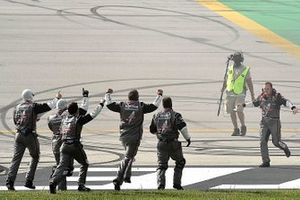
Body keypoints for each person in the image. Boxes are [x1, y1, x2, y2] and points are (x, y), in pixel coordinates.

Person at [105, 88, 163, 191]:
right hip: (134, 137)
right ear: (137, 98)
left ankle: (127, 176)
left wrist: (108, 93)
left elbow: (109, 104)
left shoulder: (122, 105)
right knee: (128, 157)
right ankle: (118, 179)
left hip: (123, 136)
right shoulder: (140, 106)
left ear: (128, 97)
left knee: (130, 155)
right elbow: (154, 106)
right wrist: (159, 95)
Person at [49, 89, 105, 194]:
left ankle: (53, 182)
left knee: (61, 165)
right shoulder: (78, 119)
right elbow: (93, 114)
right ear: (76, 111)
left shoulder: (64, 118)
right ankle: (81, 184)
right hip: (74, 146)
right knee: (84, 163)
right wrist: (101, 104)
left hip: (64, 145)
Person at [6, 89, 61, 191]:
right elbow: (49, 106)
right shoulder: (34, 106)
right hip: (30, 135)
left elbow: (15, 121)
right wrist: (57, 98)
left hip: (18, 135)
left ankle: (10, 182)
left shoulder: (17, 107)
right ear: (31, 97)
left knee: (16, 159)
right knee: (35, 156)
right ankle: (29, 180)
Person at [47, 89, 88, 190]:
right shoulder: (67, 116)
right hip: (66, 143)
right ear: (65, 107)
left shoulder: (50, 118)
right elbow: (84, 109)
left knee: (61, 165)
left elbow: (51, 128)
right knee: (66, 167)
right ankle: (60, 186)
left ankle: (60, 186)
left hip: (55, 143)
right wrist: (85, 96)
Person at [149, 96, 191, 190]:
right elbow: (183, 128)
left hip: (161, 144)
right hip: (173, 144)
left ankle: (160, 185)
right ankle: (177, 184)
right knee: (180, 162)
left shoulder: (156, 115)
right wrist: (188, 139)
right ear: (171, 104)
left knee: (161, 165)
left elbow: (152, 130)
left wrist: (160, 134)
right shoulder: (176, 115)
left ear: (163, 105)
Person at [253, 82, 298, 167]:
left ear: (271, 88)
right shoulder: (261, 97)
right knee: (262, 141)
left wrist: (293, 107)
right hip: (264, 122)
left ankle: (284, 147)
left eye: (267, 89)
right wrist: (242, 105)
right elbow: (254, 103)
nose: (266, 91)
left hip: (274, 122)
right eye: (264, 89)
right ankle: (266, 161)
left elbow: (286, 102)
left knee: (276, 142)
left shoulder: (277, 97)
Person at [221, 51, 255, 136]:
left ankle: (243, 126)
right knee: (232, 111)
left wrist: (252, 94)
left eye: (238, 59)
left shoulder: (245, 69)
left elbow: (249, 81)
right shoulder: (230, 68)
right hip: (230, 93)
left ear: (241, 60)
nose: (236, 60)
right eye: (235, 59)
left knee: (239, 110)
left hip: (240, 93)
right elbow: (226, 80)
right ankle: (236, 128)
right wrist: (222, 89)